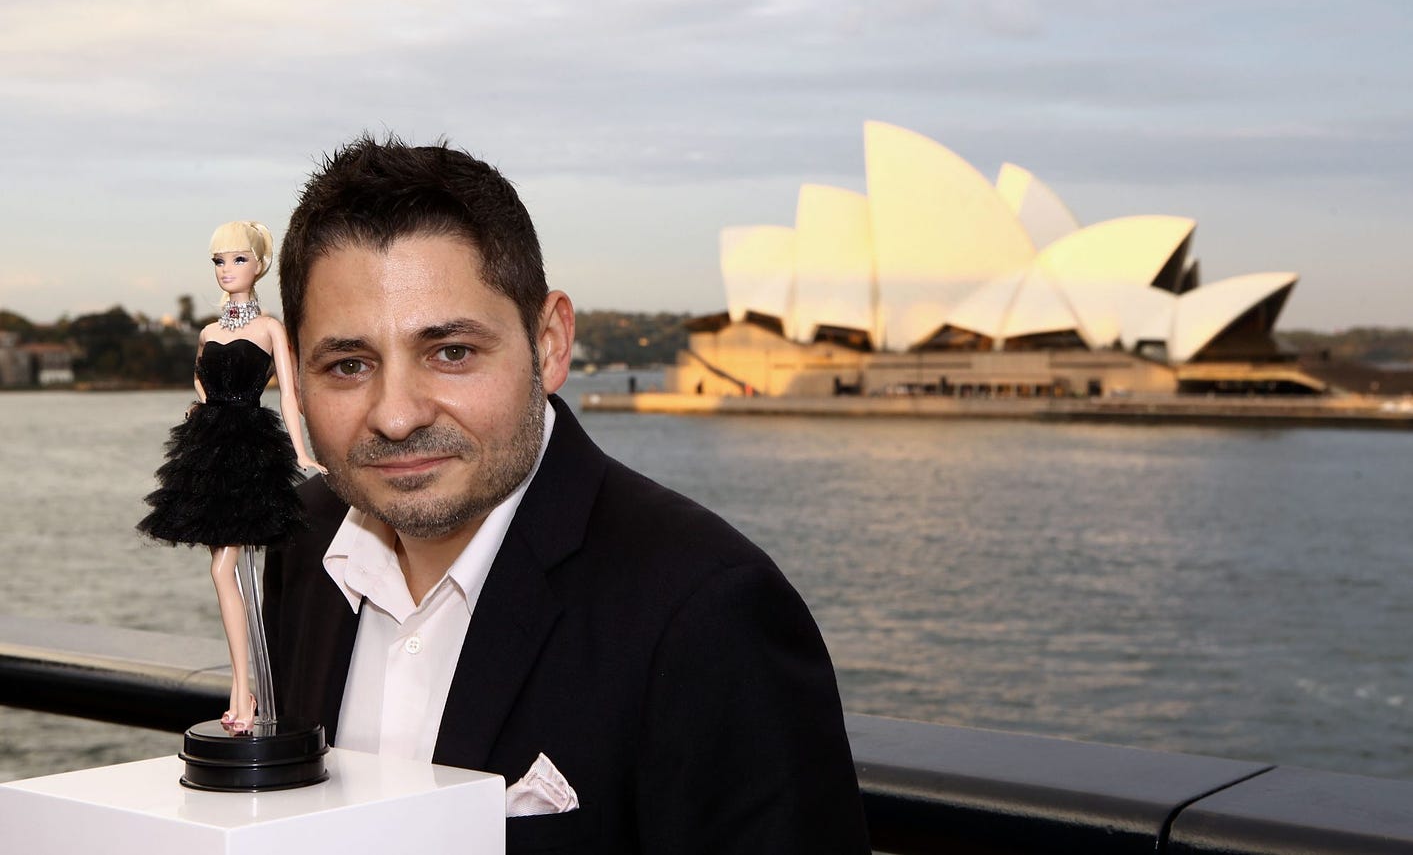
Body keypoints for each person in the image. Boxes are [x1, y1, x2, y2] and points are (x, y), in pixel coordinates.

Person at [262, 136, 869, 853]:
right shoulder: (293, 541)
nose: (397, 414)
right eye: (349, 364)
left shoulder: (705, 611)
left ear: (549, 345)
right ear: (295, 376)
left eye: (451, 352)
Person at [138, 220, 326, 733]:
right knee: (225, 571)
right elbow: (201, 378)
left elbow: (289, 395)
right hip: (212, 449)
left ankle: (244, 693)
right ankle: (243, 692)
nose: (227, 270)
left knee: (226, 571)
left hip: (250, 451)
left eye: (239, 259)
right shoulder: (208, 332)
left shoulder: (270, 329)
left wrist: (303, 453)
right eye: (220, 261)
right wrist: (202, 411)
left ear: (260, 265)